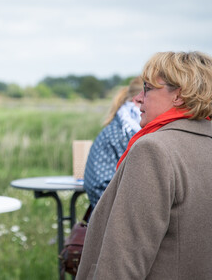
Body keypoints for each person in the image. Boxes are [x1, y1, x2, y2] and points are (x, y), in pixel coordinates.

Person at [76, 51, 212, 280]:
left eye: (148, 88)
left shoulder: (154, 150)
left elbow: (123, 259)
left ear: (178, 95)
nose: (139, 97)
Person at [84, 76, 142, 210]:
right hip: (116, 219)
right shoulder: (117, 134)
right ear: (137, 100)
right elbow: (99, 185)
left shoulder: (128, 131)